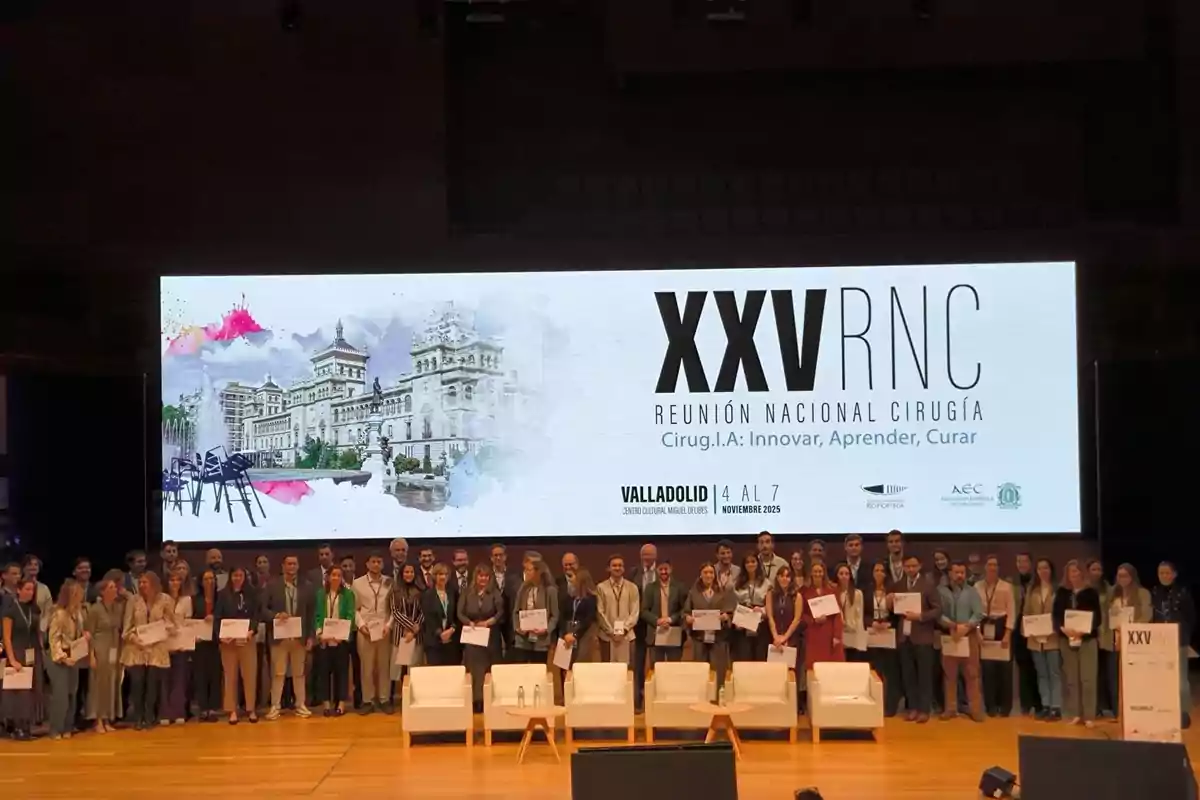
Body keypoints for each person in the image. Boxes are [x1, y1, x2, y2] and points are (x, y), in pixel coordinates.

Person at [262, 555, 313, 721]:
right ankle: (275, 706)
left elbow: (311, 614)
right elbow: (262, 609)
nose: (292, 566)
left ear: (298, 566)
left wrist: (311, 636)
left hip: (299, 637)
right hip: (280, 637)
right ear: (283, 566)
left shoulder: (306, 586)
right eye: (289, 564)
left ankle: (300, 704)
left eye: (294, 564)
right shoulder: (272, 585)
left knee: (299, 673)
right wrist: (276, 615)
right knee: (278, 673)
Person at [122, 571, 175, 730]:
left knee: (153, 685)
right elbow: (126, 628)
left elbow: (172, 624)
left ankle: (150, 716)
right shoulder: (133, 600)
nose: (142, 585)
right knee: (137, 685)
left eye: (145, 582)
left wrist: (162, 629)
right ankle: (138, 717)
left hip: (157, 649)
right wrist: (134, 639)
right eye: (141, 582)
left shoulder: (165, 600)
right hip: (136, 649)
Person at [891, 553, 941, 723]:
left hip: (923, 636)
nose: (910, 569)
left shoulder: (928, 585)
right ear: (903, 568)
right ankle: (912, 708)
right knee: (908, 675)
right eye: (907, 566)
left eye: (914, 566)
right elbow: (893, 608)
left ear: (919, 566)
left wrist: (920, 616)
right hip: (904, 637)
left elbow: (937, 610)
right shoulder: (898, 585)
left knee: (924, 676)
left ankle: (924, 710)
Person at [1054, 559, 1101, 727]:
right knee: (1072, 679)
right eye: (1071, 572)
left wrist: (1082, 631)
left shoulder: (1091, 593)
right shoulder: (1062, 592)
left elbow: (1098, 618)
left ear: (1082, 573)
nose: (1074, 575)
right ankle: (1075, 714)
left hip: (1087, 639)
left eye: (1077, 571)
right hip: (1067, 639)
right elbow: (1056, 616)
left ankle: (1089, 716)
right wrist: (1063, 629)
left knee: (1088, 678)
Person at [1102, 563, 1152, 721]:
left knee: (1133, 679)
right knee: (1113, 679)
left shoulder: (1142, 593)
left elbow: (1146, 615)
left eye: (1125, 575)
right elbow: (1104, 616)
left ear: (1132, 577)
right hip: (1113, 641)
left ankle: (1134, 711)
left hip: (1133, 641)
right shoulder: (1111, 593)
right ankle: (1118, 712)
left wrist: (1131, 628)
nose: (1122, 579)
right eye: (1119, 575)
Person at [938, 562, 984, 722]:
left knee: (972, 674)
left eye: (962, 572)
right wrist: (950, 626)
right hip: (949, 636)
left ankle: (975, 709)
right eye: (956, 572)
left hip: (968, 636)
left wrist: (966, 627)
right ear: (950, 573)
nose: (959, 576)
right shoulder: (941, 591)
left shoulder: (972, 592)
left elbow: (979, 614)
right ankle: (950, 708)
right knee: (949, 675)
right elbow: (938, 613)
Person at [1152, 561, 1195, 729]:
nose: (1164, 576)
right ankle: (1164, 711)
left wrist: (1183, 634)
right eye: (1161, 573)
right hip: (1159, 642)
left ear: (1174, 574)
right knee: (1162, 678)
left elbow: (1190, 617)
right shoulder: (1155, 592)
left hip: (1178, 641)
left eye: (1167, 573)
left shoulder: (1182, 593)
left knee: (1181, 680)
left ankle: (1183, 713)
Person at [683, 563, 737, 695]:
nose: (708, 575)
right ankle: (701, 696)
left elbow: (731, 612)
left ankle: (719, 697)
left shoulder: (724, 592)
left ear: (715, 575)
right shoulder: (693, 593)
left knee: (719, 669)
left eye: (711, 573)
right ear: (700, 575)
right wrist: (688, 618)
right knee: (700, 669)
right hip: (699, 638)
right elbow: (685, 612)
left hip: (718, 638)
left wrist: (726, 616)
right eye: (705, 572)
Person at [214, 567, 258, 724]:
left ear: (245, 577)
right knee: (230, 676)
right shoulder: (223, 594)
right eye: (235, 575)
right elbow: (217, 617)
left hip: (247, 640)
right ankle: (232, 710)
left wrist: (252, 631)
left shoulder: (252, 593)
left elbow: (256, 615)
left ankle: (250, 709)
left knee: (249, 675)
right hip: (228, 642)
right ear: (230, 577)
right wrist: (222, 635)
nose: (238, 578)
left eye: (240, 575)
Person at [2, 578, 44, 740]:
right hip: (18, 652)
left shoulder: (34, 608)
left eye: (32, 590)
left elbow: (37, 632)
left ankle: (28, 726)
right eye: (27, 589)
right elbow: (7, 637)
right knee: (20, 692)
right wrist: (12, 659)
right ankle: (17, 727)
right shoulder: (11, 609)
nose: (30, 592)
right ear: (18, 590)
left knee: (34, 690)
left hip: (33, 652)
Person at [457, 564, 504, 711]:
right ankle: (475, 700)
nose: (483, 579)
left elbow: (500, 612)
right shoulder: (466, 593)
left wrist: (488, 622)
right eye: (480, 575)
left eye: (486, 576)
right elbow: (460, 613)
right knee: (474, 669)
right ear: (475, 577)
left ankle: (488, 700)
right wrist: (469, 622)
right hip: (473, 637)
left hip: (491, 637)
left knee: (489, 669)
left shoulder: (495, 593)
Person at [352, 552, 393, 714]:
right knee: (366, 667)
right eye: (373, 562)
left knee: (384, 666)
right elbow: (354, 609)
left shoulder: (390, 582)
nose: (376, 564)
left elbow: (394, 609)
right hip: (366, 630)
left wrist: (388, 626)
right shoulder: (357, 583)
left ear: (382, 564)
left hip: (384, 630)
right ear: (367, 564)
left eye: (379, 561)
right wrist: (361, 625)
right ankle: (367, 700)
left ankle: (384, 699)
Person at [46, 579, 88, 740]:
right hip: (60, 659)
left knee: (72, 692)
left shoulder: (77, 613)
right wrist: (63, 658)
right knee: (60, 695)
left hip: (74, 656)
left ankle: (67, 726)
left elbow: (77, 633)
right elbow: (53, 639)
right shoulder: (59, 614)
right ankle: (56, 728)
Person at [976, 555, 1015, 717]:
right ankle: (990, 706)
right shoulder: (977, 586)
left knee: (1004, 670)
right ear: (984, 567)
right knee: (987, 669)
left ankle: (1005, 707)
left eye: (995, 565)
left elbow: (1011, 611)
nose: (992, 568)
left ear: (998, 568)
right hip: (984, 625)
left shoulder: (1006, 587)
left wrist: (1007, 634)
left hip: (1001, 626)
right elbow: (975, 611)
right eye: (989, 564)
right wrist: (977, 631)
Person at [1023, 558, 1062, 721]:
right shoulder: (1032, 589)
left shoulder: (1058, 589)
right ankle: (1045, 705)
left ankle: (1056, 707)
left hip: (1053, 637)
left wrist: (1056, 627)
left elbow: (1061, 613)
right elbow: (1026, 612)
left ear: (1051, 570)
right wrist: (1028, 629)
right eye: (1040, 568)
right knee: (1042, 674)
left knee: (1054, 673)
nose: (1043, 571)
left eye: (1046, 568)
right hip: (1035, 639)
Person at [313, 566, 355, 716]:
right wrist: (320, 634)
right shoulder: (320, 594)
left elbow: (350, 615)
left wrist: (342, 635)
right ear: (328, 577)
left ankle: (341, 704)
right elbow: (317, 615)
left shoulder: (348, 594)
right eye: (333, 575)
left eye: (339, 575)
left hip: (341, 640)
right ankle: (326, 704)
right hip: (324, 639)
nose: (336, 578)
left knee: (342, 672)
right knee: (324, 672)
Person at [85, 577, 123, 733]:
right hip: (99, 647)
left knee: (111, 684)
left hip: (114, 647)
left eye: (115, 587)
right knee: (98, 685)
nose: (115, 590)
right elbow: (89, 633)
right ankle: (98, 719)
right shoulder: (95, 609)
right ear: (103, 591)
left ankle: (108, 717)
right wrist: (91, 655)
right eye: (111, 587)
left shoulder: (117, 607)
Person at [765, 565, 804, 709]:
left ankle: (792, 706)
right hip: (774, 639)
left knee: (791, 673)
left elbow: (797, 619)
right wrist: (776, 636)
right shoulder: (771, 594)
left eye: (787, 576)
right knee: (775, 674)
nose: (784, 579)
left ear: (791, 579)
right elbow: (770, 616)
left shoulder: (797, 596)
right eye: (781, 575)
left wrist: (785, 637)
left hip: (791, 639)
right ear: (777, 578)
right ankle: (775, 706)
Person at [866, 562, 901, 716]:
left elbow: (900, 613)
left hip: (888, 634)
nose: (879, 573)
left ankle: (890, 706)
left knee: (890, 672)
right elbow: (863, 613)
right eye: (876, 570)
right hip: (872, 634)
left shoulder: (893, 591)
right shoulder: (867, 591)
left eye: (882, 570)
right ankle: (875, 703)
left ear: (886, 573)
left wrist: (889, 622)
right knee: (875, 670)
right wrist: (871, 622)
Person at [513, 554, 559, 664]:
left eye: (529, 570)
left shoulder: (550, 590)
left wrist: (546, 629)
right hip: (523, 639)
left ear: (538, 571)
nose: (526, 573)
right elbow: (515, 612)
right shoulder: (523, 588)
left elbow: (555, 615)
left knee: (538, 670)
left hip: (541, 640)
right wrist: (518, 627)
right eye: (525, 570)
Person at [161, 570, 194, 725]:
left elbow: (188, 622)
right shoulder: (161, 599)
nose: (174, 583)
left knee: (179, 680)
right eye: (171, 580)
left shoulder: (187, 600)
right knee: (165, 680)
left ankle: (179, 711)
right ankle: (165, 713)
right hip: (165, 642)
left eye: (177, 580)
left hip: (181, 642)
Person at [629, 544, 658, 711]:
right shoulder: (634, 573)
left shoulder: (661, 572)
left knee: (655, 663)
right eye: (644, 555)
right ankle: (638, 700)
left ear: (655, 555)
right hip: (638, 624)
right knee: (638, 664)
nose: (646, 558)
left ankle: (653, 698)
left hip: (656, 623)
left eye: (649, 555)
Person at [802, 561, 845, 672]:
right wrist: (812, 620)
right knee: (814, 666)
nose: (817, 574)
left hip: (829, 633)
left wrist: (837, 636)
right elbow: (802, 614)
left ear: (824, 573)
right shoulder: (804, 591)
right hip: (813, 633)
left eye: (820, 571)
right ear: (811, 573)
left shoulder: (832, 591)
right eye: (815, 571)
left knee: (831, 667)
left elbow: (837, 615)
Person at [642, 561, 687, 665]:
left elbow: (685, 609)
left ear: (671, 569)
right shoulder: (650, 587)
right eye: (660, 569)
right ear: (657, 571)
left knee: (674, 668)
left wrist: (670, 619)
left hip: (674, 631)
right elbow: (644, 610)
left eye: (666, 569)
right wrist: (657, 621)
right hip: (655, 633)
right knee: (656, 668)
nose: (663, 572)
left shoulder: (680, 587)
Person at [191, 569, 221, 722]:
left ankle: (213, 708)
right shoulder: (195, 599)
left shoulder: (221, 598)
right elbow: (191, 620)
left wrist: (215, 618)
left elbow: (226, 615)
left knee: (215, 675)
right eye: (206, 579)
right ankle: (203, 708)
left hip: (218, 641)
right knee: (201, 675)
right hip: (200, 642)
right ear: (201, 582)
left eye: (212, 579)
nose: (209, 581)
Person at [597, 555, 639, 664]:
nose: (617, 568)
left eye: (620, 565)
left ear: (624, 568)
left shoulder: (632, 587)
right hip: (607, 637)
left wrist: (624, 629)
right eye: (614, 565)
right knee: (608, 672)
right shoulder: (601, 587)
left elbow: (635, 612)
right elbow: (599, 611)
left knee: (627, 672)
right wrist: (611, 632)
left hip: (627, 636)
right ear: (608, 568)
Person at [389, 564, 423, 695]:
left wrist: (415, 629)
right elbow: (395, 612)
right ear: (401, 574)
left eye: (411, 572)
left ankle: (413, 696)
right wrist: (410, 626)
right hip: (400, 635)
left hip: (416, 635)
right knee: (396, 668)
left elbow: (423, 612)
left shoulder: (420, 590)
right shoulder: (395, 591)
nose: (409, 574)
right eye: (406, 572)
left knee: (414, 668)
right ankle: (393, 697)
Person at [732, 552, 771, 662]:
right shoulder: (737, 583)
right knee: (744, 659)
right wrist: (736, 620)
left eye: (753, 561)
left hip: (760, 625)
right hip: (742, 626)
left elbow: (770, 605)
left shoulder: (766, 583)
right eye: (747, 562)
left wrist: (762, 611)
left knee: (760, 658)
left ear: (758, 564)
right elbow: (733, 604)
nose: (750, 564)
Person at [420, 564, 459, 667]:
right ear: (434, 576)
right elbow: (428, 618)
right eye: (440, 574)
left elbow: (457, 614)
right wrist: (440, 633)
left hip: (452, 642)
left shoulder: (453, 593)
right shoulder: (428, 595)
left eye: (446, 574)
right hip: (434, 642)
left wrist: (452, 629)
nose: (443, 577)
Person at [561, 568, 599, 668]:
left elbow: (589, 619)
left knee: (579, 664)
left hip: (583, 635)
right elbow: (562, 616)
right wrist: (565, 633)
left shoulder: (591, 599)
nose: (570, 580)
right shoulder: (569, 598)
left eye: (572, 577)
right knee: (564, 665)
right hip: (567, 635)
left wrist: (575, 634)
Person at [834, 562, 866, 662]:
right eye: (841, 574)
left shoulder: (857, 594)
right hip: (839, 635)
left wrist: (851, 627)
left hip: (853, 635)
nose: (844, 576)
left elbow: (859, 616)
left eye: (846, 574)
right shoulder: (833, 593)